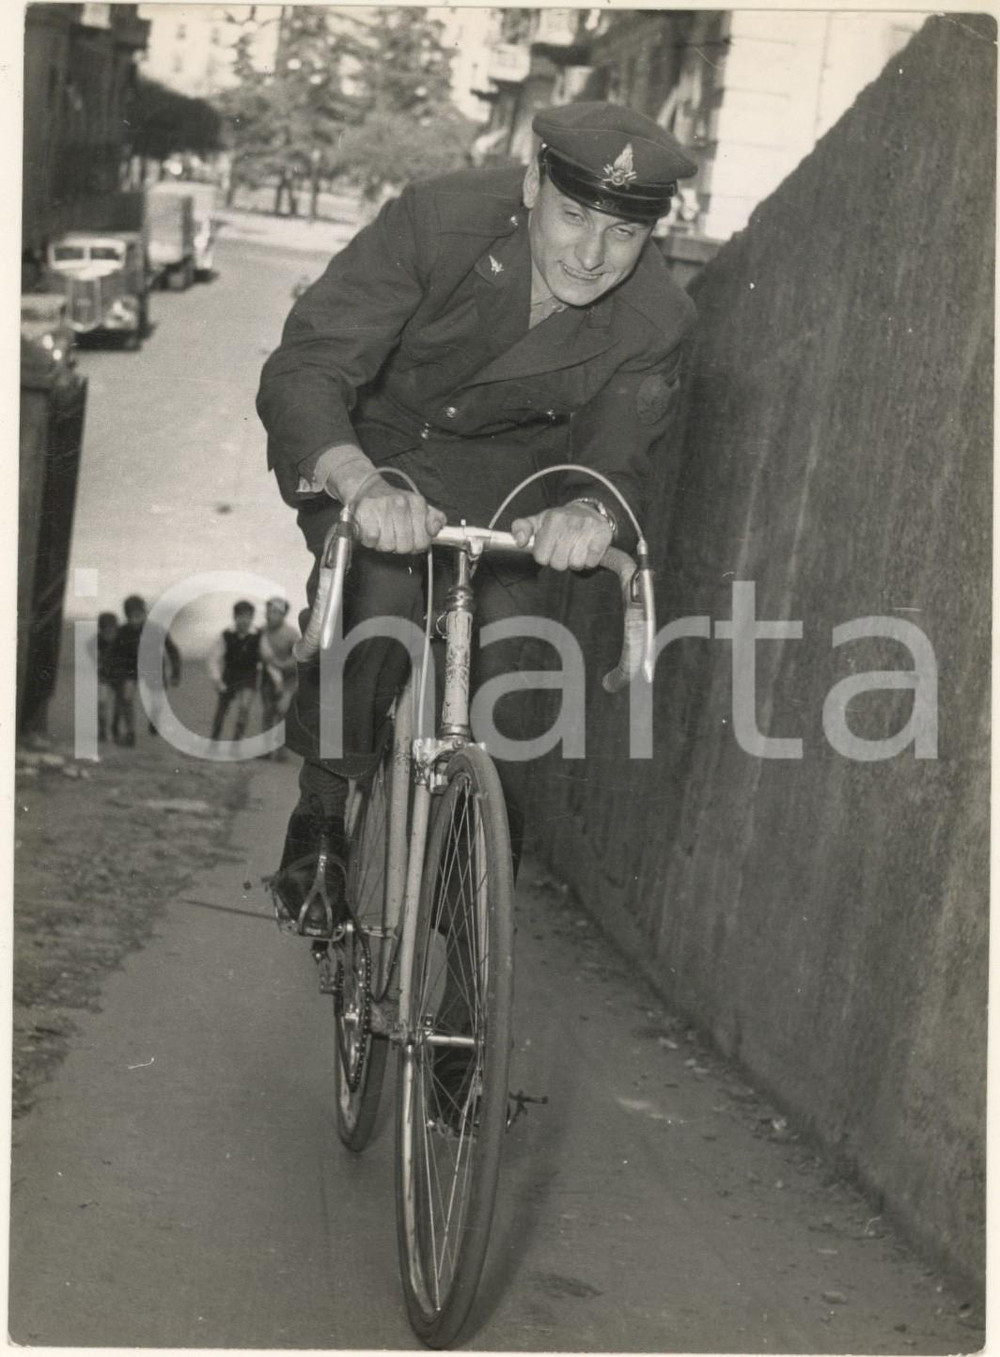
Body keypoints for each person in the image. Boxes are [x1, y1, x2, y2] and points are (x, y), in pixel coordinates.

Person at [257, 101, 698, 938]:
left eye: (623, 233)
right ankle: (321, 810)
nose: (592, 255)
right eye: (573, 216)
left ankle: (469, 919)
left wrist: (588, 510)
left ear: (651, 234)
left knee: (518, 667)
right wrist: (358, 482)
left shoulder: (658, 317)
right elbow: (309, 364)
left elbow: (621, 450)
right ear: (533, 184)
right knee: (380, 599)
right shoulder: (440, 221)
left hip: (512, 486)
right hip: (383, 451)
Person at [110, 595, 182, 746]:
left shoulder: (156, 629)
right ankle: (130, 733)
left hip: (153, 668)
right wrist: (116, 674)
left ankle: (154, 719)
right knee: (127, 698)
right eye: (133, 616)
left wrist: (176, 673)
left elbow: (173, 651)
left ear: (145, 613)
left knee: (157, 704)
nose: (136, 619)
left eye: (139, 615)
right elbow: (113, 655)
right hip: (130, 669)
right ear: (127, 616)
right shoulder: (122, 632)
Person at [208, 600, 262, 743]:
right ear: (234, 617)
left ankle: (237, 742)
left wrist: (276, 676)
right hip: (229, 675)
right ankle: (214, 740)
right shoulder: (226, 634)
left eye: (247, 616)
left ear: (252, 617)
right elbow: (214, 658)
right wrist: (217, 680)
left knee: (244, 708)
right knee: (222, 709)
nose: (244, 620)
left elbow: (266, 657)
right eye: (240, 616)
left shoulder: (258, 635)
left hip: (249, 675)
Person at [259, 596, 299, 746]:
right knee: (268, 712)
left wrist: (281, 665)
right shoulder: (261, 632)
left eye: (276, 612)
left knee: (282, 712)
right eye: (269, 611)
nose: (271, 615)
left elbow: (299, 658)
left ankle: (281, 749)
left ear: (283, 614)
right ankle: (266, 749)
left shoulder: (291, 634)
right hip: (268, 679)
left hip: (289, 681)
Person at [86, 611, 120, 745]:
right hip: (105, 676)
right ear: (101, 629)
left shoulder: (122, 639)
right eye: (106, 630)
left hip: (120, 676)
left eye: (112, 629)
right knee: (102, 703)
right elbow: (90, 649)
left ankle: (114, 728)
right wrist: (98, 661)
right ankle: (103, 730)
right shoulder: (96, 641)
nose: (109, 633)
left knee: (119, 704)